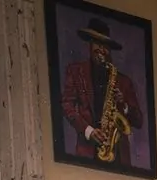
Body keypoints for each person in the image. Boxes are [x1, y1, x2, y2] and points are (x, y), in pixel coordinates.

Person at [60, 15, 143, 167]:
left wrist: (123, 104)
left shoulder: (123, 81)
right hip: (87, 150)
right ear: (90, 45)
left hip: (118, 153)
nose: (101, 50)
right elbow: (67, 106)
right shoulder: (75, 71)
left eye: (105, 45)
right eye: (97, 43)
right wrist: (89, 130)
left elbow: (138, 120)